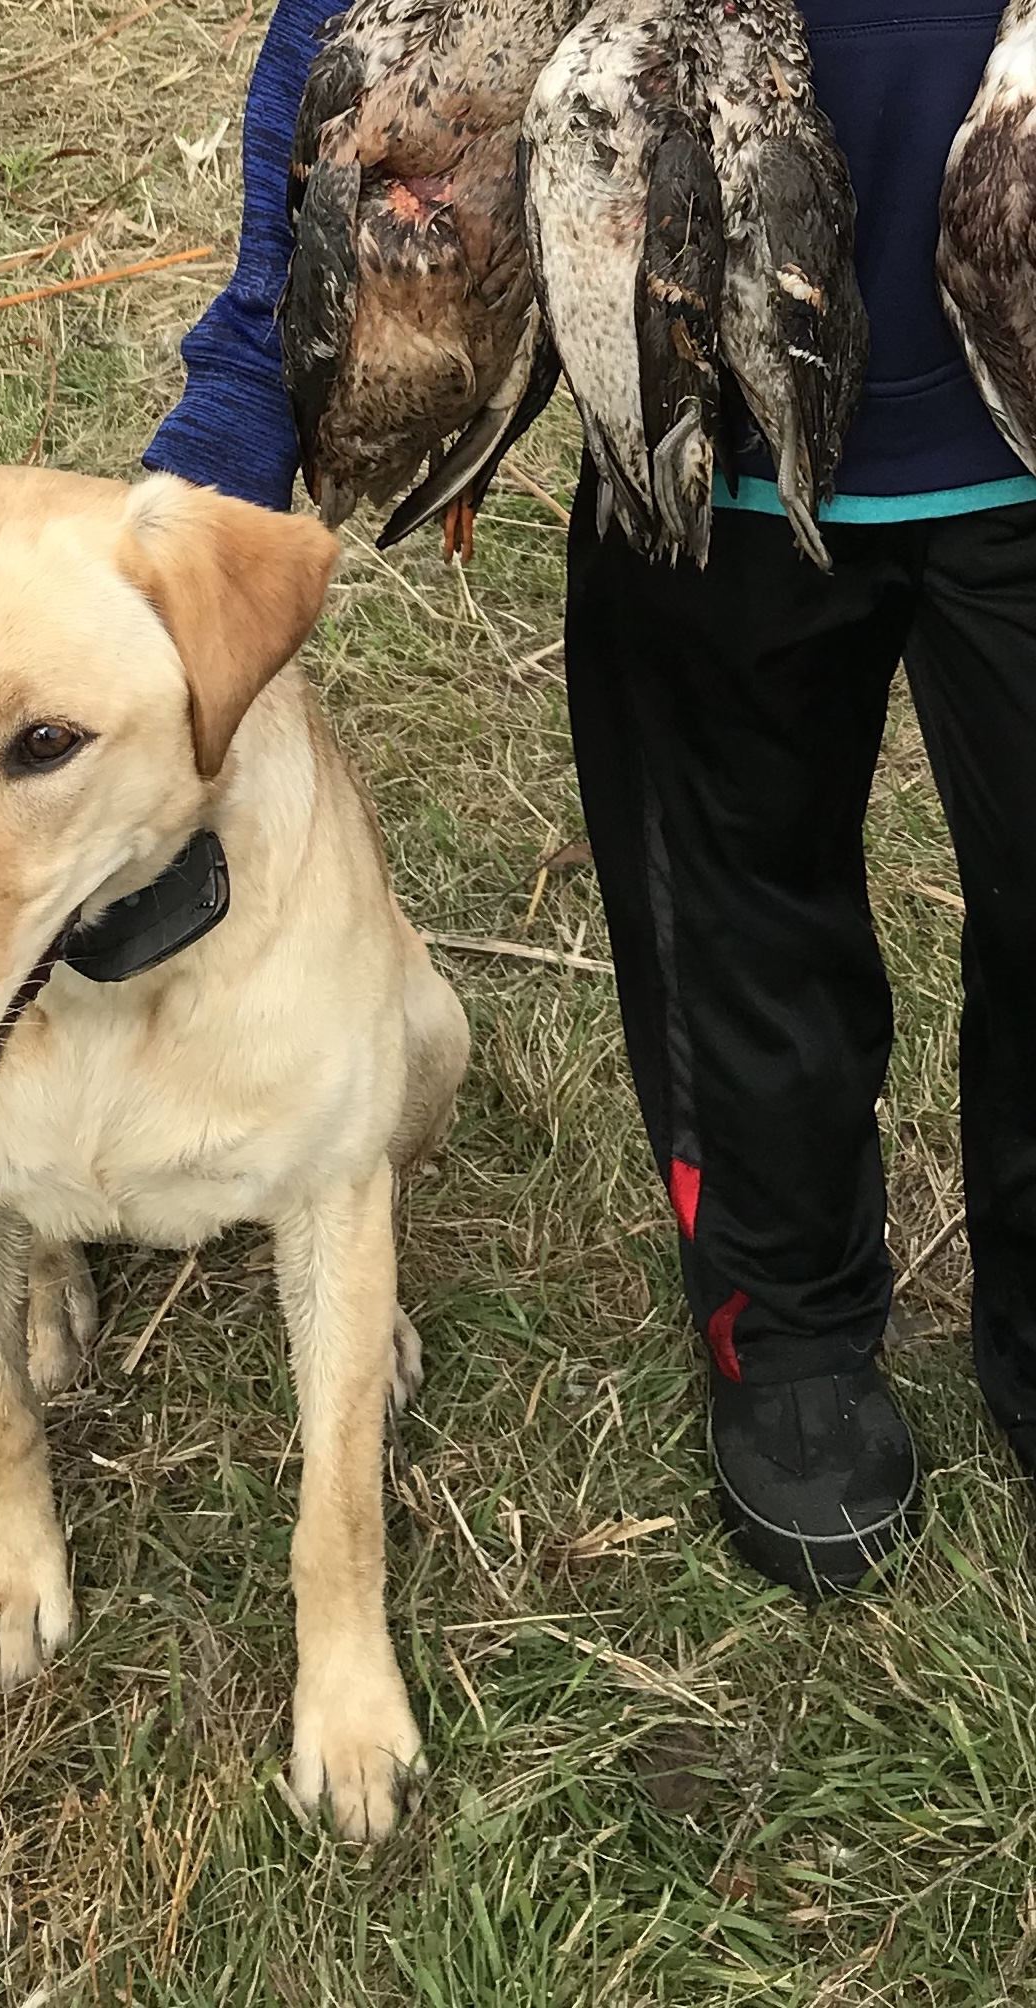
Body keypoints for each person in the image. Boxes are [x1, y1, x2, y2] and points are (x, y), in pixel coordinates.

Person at [143, 0, 1036, 1595]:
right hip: (702, 433)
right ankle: (788, 1321)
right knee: (733, 913)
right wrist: (242, 398)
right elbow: (361, 49)